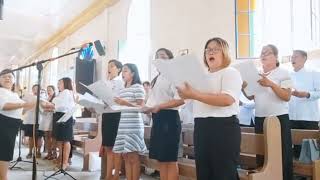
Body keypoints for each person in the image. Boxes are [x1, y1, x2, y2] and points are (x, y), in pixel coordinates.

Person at [177, 37, 242, 180]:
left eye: (215, 49)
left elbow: (227, 99)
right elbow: (185, 99)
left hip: (223, 128)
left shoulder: (230, 72)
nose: (210, 52)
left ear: (224, 52)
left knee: (224, 173)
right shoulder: (201, 77)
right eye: (208, 50)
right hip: (202, 127)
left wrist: (195, 94)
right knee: (204, 173)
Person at [242, 44, 293, 180]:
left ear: (276, 57)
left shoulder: (284, 72)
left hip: (279, 118)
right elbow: (251, 96)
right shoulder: (257, 73)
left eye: (267, 53)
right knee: (262, 154)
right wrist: (243, 88)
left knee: (282, 154)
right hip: (260, 118)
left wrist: (271, 84)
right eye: (262, 53)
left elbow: (287, 96)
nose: (263, 55)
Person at [144, 48, 184, 180]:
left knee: (170, 159)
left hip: (170, 118)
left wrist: (159, 106)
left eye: (162, 56)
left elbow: (179, 100)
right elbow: (152, 101)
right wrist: (146, 109)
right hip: (158, 118)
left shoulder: (174, 75)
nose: (159, 58)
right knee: (161, 159)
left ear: (170, 59)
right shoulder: (157, 78)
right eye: (157, 56)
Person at [113, 63, 147, 180]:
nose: (123, 73)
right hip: (123, 125)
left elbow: (141, 107)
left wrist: (125, 103)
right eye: (122, 71)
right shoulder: (122, 89)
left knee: (133, 157)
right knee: (126, 156)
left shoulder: (138, 87)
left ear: (133, 73)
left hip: (134, 125)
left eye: (126, 71)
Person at [0, 69, 33, 180]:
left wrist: (31, 105)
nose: (7, 78)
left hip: (12, 126)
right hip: (4, 125)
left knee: (6, 154)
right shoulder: (1, 91)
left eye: (10, 76)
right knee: (3, 154)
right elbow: (4, 106)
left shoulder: (14, 94)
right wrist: (24, 104)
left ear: (14, 80)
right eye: (4, 76)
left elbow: (21, 111)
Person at [289, 50, 320, 159]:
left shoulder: (314, 73)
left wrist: (307, 94)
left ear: (304, 58)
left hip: (309, 117)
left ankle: (313, 175)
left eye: (296, 56)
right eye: (292, 57)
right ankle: (299, 174)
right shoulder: (288, 75)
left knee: (311, 150)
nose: (292, 59)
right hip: (291, 117)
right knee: (296, 149)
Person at [101, 59, 124, 180]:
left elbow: (118, 99)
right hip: (106, 115)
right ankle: (108, 175)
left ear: (119, 69)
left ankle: (115, 176)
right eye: (108, 66)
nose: (109, 68)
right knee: (108, 147)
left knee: (116, 147)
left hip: (116, 115)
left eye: (112, 66)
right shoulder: (106, 82)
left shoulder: (120, 82)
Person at [51, 77, 76, 170]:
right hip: (58, 115)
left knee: (65, 140)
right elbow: (57, 104)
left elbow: (62, 105)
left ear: (65, 83)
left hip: (65, 116)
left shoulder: (66, 91)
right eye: (58, 83)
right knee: (59, 140)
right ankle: (61, 160)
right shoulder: (61, 93)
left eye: (60, 82)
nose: (58, 84)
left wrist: (52, 105)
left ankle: (65, 162)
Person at [22, 84, 44, 158]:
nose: (36, 90)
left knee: (39, 137)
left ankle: (38, 152)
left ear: (40, 90)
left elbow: (44, 110)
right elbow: (23, 106)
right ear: (32, 90)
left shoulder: (43, 98)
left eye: (38, 89)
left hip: (40, 120)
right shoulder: (28, 97)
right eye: (34, 89)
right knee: (31, 137)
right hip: (30, 120)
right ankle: (30, 152)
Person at [41, 85, 56, 160]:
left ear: (54, 90)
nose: (48, 91)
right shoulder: (46, 98)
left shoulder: (56, 98)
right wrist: (47, 107)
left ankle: (54, 154)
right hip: (46, 118)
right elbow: (43, 107)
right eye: (47, 90)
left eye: (50, 89)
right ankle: (49, 153)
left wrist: (47, 108)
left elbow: (55, 108)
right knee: (46, 137)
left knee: (52, 137)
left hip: (52, 118)